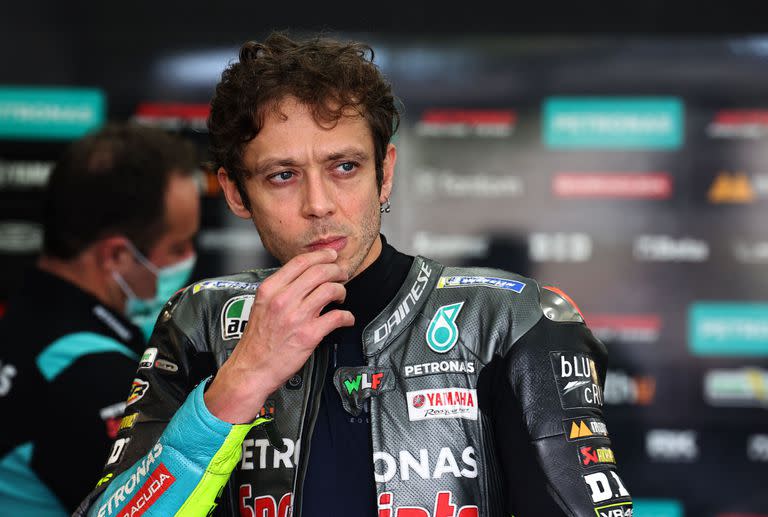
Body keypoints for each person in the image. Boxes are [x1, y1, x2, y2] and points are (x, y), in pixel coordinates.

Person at [75, 32, 632, 517]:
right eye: (282, 175)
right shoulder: (199, 322)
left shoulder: (512, 322)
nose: (319, 204)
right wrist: (240, 382)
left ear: (384, 174)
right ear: (235, 193)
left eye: (345, 167)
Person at [0, 123, 200, 515]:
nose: (191, 256)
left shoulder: (26, 322)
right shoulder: (89, 372)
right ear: (117, 257)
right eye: (176, 246)